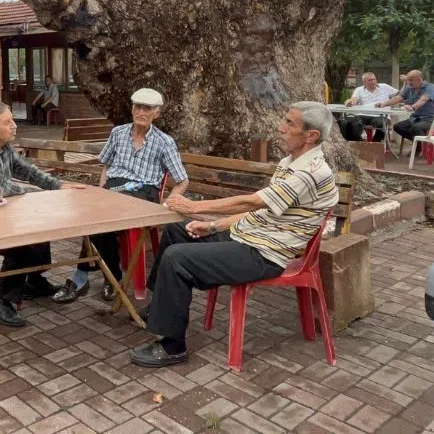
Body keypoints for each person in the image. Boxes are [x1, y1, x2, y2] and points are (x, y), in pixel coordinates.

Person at [129, 102, 338, 367]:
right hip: (248, 237)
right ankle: (159, 308)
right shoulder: (291, 162)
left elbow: (253, 202)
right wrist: (214, 225)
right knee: (176, 231)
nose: (281, 128)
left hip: (265, 255)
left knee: (176, 258)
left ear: (311, 136)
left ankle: (173, 347)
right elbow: (264, 211)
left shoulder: (311, 171)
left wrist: (194, 207)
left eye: (289, 124)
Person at [52, 88, 189, 304]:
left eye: (147, 108)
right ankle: (110, 277)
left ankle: (83, 278)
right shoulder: (118, 133)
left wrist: (166, 205)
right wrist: (101, 189)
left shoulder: (164, 142)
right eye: (137, 106)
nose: (141, 111)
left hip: (143, 192)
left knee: (102, 217)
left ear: (157, 113)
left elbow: (182, 181)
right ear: (132, 108)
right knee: (96, 215)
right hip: (114, 189)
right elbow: (106, 166)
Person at [0, 100, 84, 328]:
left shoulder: (3, 146)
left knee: (40, 223)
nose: (14, 126)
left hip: (0, 211)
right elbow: (0, 187)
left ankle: (33, 282)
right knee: (22, 241)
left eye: (13, 120)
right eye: (8, 122)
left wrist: (57, 185)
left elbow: (26, 170)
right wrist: (37, 193)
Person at [379, 69, 434, 141]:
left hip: (431, 119)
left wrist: (412, 107)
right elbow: (398, 98)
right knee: (397, 127)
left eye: (411, 80)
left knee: (416, 127)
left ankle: (420, 149)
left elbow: (423, 99)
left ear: (419, 79)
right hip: (415, 118)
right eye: (408, 80)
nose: (409, 83)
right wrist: (383, 104)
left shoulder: (430, 87)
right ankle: (418, 143)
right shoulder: (409, 88)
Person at [340, 72, 399, 142]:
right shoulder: (359, 89)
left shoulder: (385, 87)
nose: (373, 82)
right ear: (364, 82)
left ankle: (375, 144)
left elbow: (401, 95)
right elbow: (354, 99)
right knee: (351, 124)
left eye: (374, 79)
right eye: (370, 80)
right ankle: (360, 143)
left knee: (383, 124)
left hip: (381, 115)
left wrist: (405, 84)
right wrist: (350, 101)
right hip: (363, 115)